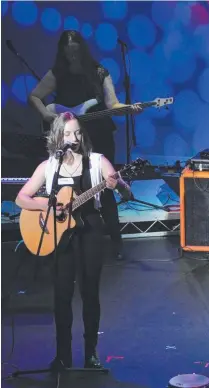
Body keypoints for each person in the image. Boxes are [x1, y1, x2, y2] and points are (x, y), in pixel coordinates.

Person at [16, 112, 133, 370]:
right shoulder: (49, 167)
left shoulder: (96, 161)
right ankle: (62, 356)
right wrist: (50, 204)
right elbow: (21, 197)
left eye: (78, 132)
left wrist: (119, 184)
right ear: (58, 137)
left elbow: (126, 189)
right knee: (62, 296)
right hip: (60, 237)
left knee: (89, 293)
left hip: (89, 230)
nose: (74, 138)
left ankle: (91, 353)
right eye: (68, 134)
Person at [28, 30, 142, 260]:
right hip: (70, 137)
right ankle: (64, 235)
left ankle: (115, 243)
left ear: (82, 49)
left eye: (76, 50)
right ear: (62, 51)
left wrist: (129, 108)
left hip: (98, 133)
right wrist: (48, 116)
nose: (72, 55)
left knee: (105, 186)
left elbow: (113, 103)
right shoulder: (58, 73)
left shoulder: (99, 72)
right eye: (68, 51)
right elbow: (35, 96)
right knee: (66, 188)